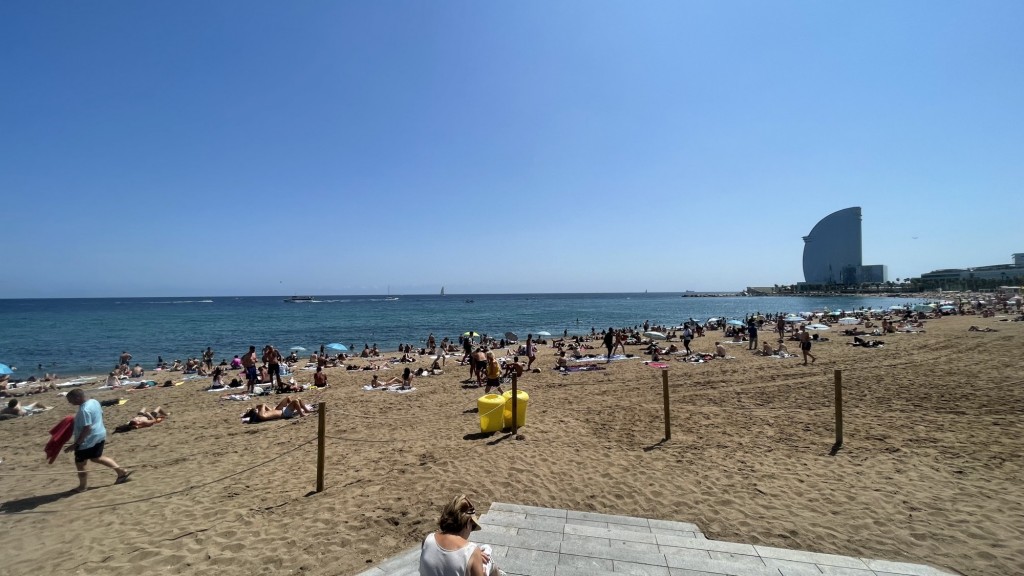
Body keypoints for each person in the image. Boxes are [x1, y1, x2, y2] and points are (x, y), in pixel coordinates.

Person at [418, 494, 506, 576]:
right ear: (468, 523)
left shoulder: (427, 540)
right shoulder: (470, 551)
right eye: (472, 526)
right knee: (488, 560)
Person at [64, 389, 131, 492]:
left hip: (88, 440)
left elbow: (87, 428)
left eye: (70, 400)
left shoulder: (84, 410)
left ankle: (82, 487)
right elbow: (100, 414)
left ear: (77, 398)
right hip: (100, 434)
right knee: (96, 457)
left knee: (80, 464)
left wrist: (76, 444)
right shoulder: (94, 401)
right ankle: (121, 471)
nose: (69, 402)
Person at [244, 396, 312, 422]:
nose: (258, 410)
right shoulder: (262, 415)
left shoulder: (265, 413)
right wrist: (259, 406)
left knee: (297, 399)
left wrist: (260, 407)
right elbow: (263, 405)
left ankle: (305, 410)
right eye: (256, 410)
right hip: (284, 413)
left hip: (281, 410)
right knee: (296, 401)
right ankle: (301, 414)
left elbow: (269, 410)